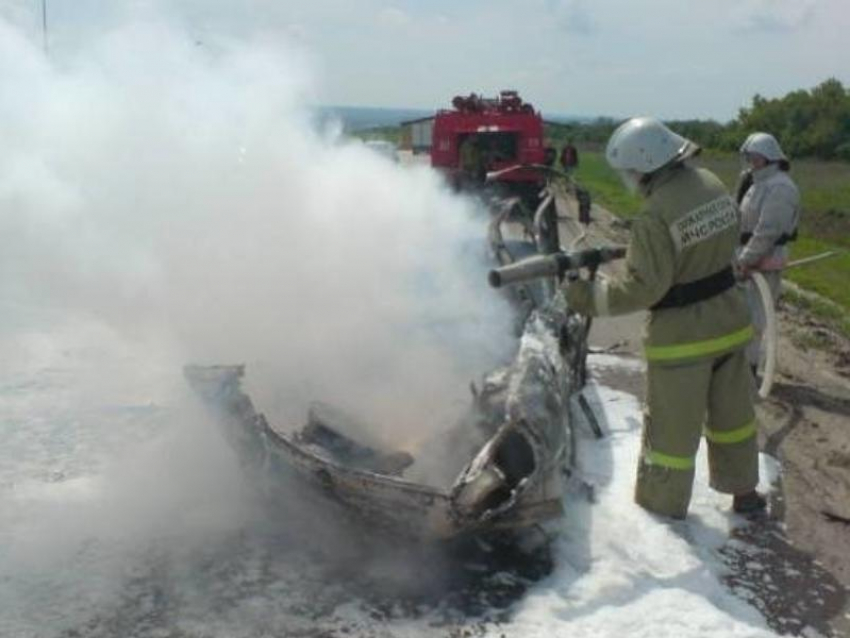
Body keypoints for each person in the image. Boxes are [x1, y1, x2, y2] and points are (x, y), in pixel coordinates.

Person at [564, 117, 765, 519]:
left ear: (644, 165)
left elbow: (643, 289)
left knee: (671, 434)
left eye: (630, 171)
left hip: (684, 340)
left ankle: (662, 511)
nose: (630, 178)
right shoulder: (710, 182)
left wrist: (582, 296)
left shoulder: (654, 215)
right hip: (729, 323)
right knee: (734, 418)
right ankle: (745, 494)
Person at [735, 133, 800, 374]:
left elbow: (767, 231)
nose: (750, 161)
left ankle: (749, 369)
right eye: (748, 157)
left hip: (764, 263)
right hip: (749, 260)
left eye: (753, 157)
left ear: (767, 157)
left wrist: (746, 259)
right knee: (741, 315)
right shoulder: (757, 183)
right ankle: (738, 366)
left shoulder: (781, 188)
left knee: (755, 318)